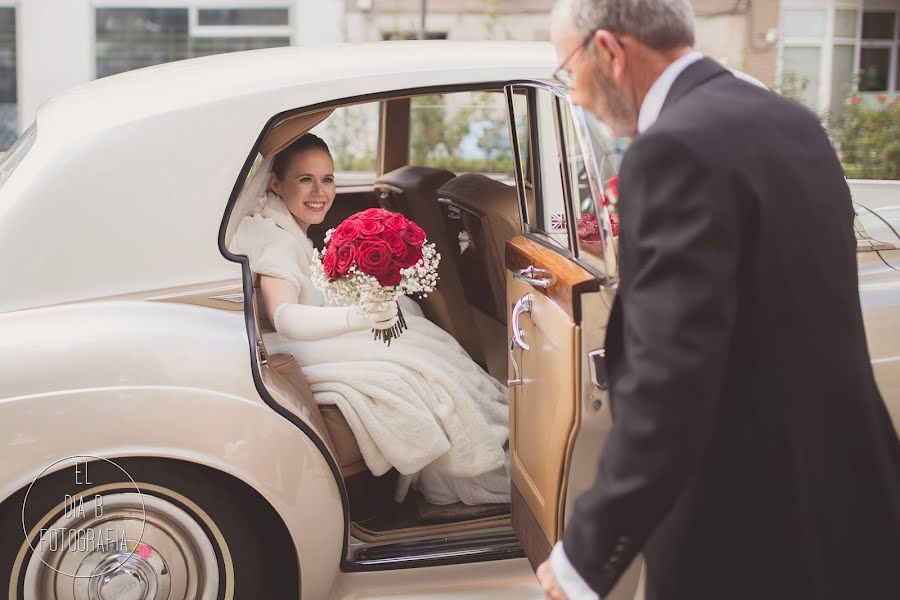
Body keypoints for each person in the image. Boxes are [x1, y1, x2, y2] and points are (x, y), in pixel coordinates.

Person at [538, 1, 900, 599]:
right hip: (848, 496)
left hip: (744, 525)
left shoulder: (673, 150)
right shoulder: (792, 122)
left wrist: (584, 556)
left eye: (567, 69)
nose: (573, 95)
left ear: (609, 51)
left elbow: (670, 381)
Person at [229, 133, 510, 507]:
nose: (320, 191)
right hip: (296, 345)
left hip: (307, 338)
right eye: (305, 179)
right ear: (276, 183)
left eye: (327, 179)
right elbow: (284, 318)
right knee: (421, 361)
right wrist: (356, 316)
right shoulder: (278, 243)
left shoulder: (277, 223)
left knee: (418, 334)